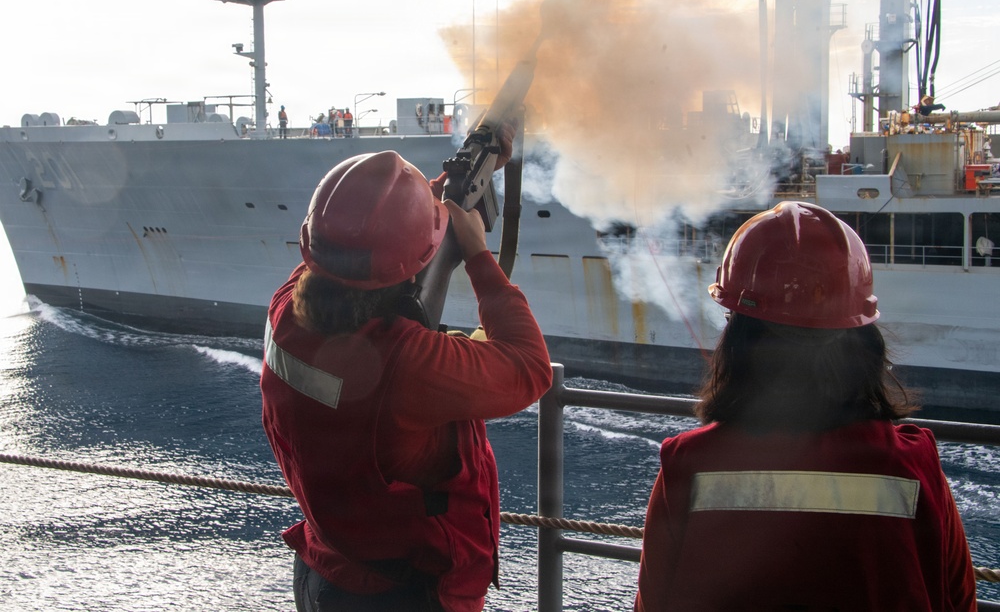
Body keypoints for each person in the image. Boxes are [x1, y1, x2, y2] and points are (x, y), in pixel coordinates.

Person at [634, 201, 976, 611]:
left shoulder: (688, 463)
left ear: (738, 339)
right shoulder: (913, 463)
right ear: (863, 339)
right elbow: (957, 600)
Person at [260, 141, 552, 612]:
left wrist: (438, 192)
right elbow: (531, 369)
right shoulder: (406, 362)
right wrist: (478, 253)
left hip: (327, 568)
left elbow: (357, 239)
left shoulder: (285, 309)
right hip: (405, 594)